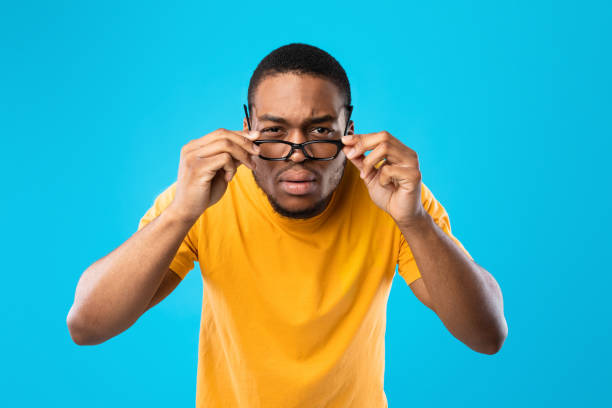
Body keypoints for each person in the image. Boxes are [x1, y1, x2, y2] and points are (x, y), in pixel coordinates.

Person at [67, 42, 507, 407]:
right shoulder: (204, 196)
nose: (296, 153)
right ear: (247, 128)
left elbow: (487, 335)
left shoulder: (392, 198)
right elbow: (87, 325)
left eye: (319, 132)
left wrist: (415, 222)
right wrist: (181, 213)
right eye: (275, 131)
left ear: (348, 130)